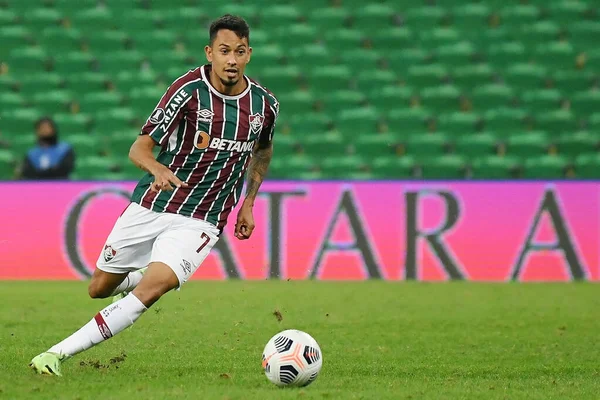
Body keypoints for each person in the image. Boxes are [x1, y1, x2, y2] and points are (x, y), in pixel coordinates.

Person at [29, 14, 279, 376]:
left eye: (239, 52)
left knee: (152, 290)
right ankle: (140, 274)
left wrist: (249, 202)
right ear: (210, 52)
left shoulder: (264, 105)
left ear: (249, 54)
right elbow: (139, 148)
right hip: (154, 203)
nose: (232, 60)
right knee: (99, 288)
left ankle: (56, 354)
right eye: (224, 51)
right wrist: (157, 169)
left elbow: (263, 150)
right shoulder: (188, 91)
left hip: (203, 219)